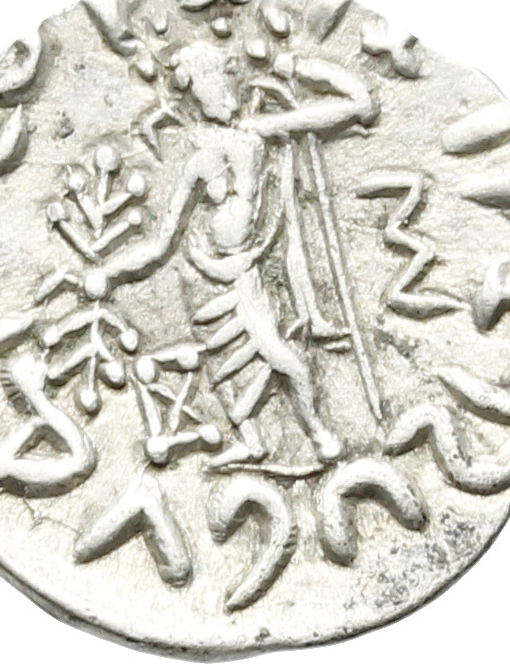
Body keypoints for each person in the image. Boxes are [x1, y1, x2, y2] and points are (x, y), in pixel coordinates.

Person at [83, 40, 379, 466]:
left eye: (226, 76)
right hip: (211, 284)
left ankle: (317, 433)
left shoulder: (259, 134)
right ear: (193, 91)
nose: (226, 88)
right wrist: (110, 272)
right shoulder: (198, 162)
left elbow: (358, 103)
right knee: (229, 368)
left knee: (287, 362)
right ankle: (257, 439)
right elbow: (162, 242)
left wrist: (294, 64)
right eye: (211, 80)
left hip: (247, 277)